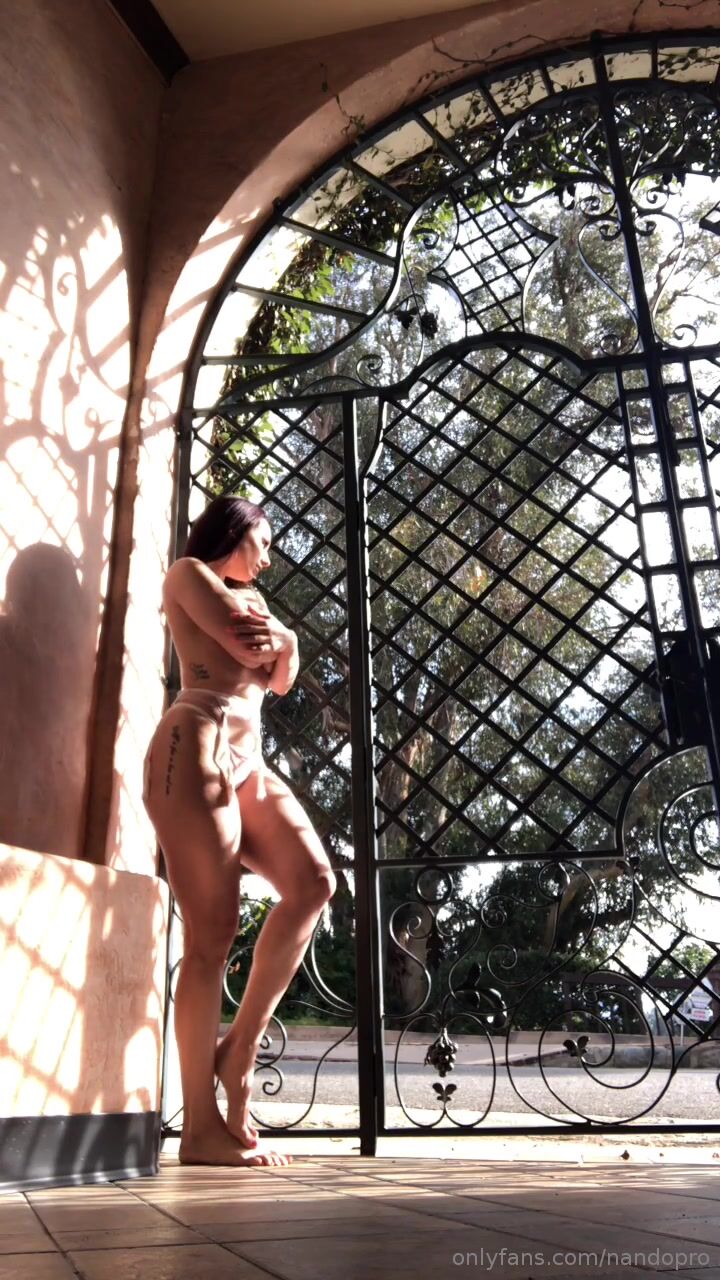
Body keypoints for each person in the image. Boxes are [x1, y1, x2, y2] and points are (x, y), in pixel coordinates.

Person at [143, 495, 336, 1167]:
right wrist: (282, 642)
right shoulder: (188, 574)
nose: (270, 558)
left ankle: (240, 1053)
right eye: (266, 542)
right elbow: (248, 646)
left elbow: (280, 678)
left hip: (248, 759)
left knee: (314, 884)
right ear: (239, 530)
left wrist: (286, 644)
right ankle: (200, 1128)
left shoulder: (250, 598)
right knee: (212, 936)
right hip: (194, 744)